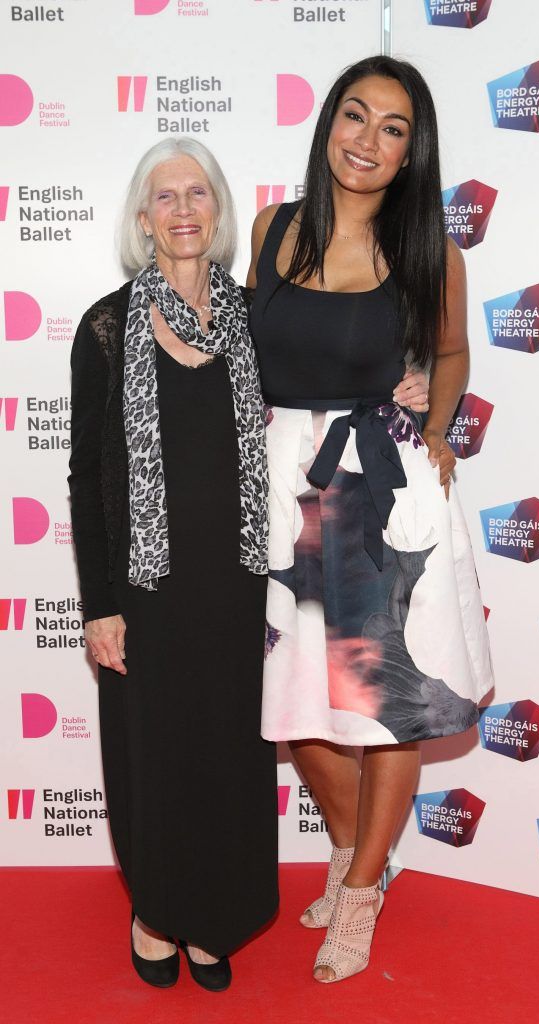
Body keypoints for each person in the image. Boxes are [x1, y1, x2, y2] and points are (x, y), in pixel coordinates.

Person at [247, 56, 493, 984]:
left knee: (384, 710)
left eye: (392, 129)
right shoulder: (274, 229)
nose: (367, 140)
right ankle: (369, 863)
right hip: (278, 483)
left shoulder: (431, 249)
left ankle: (354, 892)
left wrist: (436, 425)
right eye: (356, 116)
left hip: (381, 488)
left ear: (409, 153)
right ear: (328, 125)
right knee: (296, 710)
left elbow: (454, 350)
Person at [68, 138, 278, 992]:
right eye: (166, 197)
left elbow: (341, 375)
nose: (184, 209)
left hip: (236, 583)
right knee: (153, 753)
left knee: (226, 752)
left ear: (219, 211)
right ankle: (156, 909)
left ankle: (213, 915)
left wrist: (414, 383)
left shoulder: (260, 320)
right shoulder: (106, 326)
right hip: (145, 589)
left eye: (199, 193)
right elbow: (85, 474)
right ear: (143, 219)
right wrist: (99, 604)